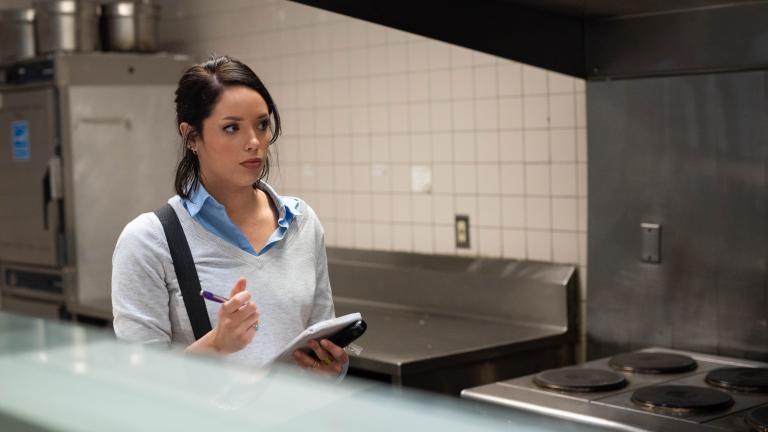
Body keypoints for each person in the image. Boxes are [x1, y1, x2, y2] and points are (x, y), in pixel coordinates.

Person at [111, 55, 347, 376]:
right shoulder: (149, 240)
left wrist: (328, 368)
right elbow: (137, 380)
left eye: (262, 125)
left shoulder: (301, 222)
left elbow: (320, 340)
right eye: (231, 128)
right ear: (192, 137)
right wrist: (217, 345)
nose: (254, 143)